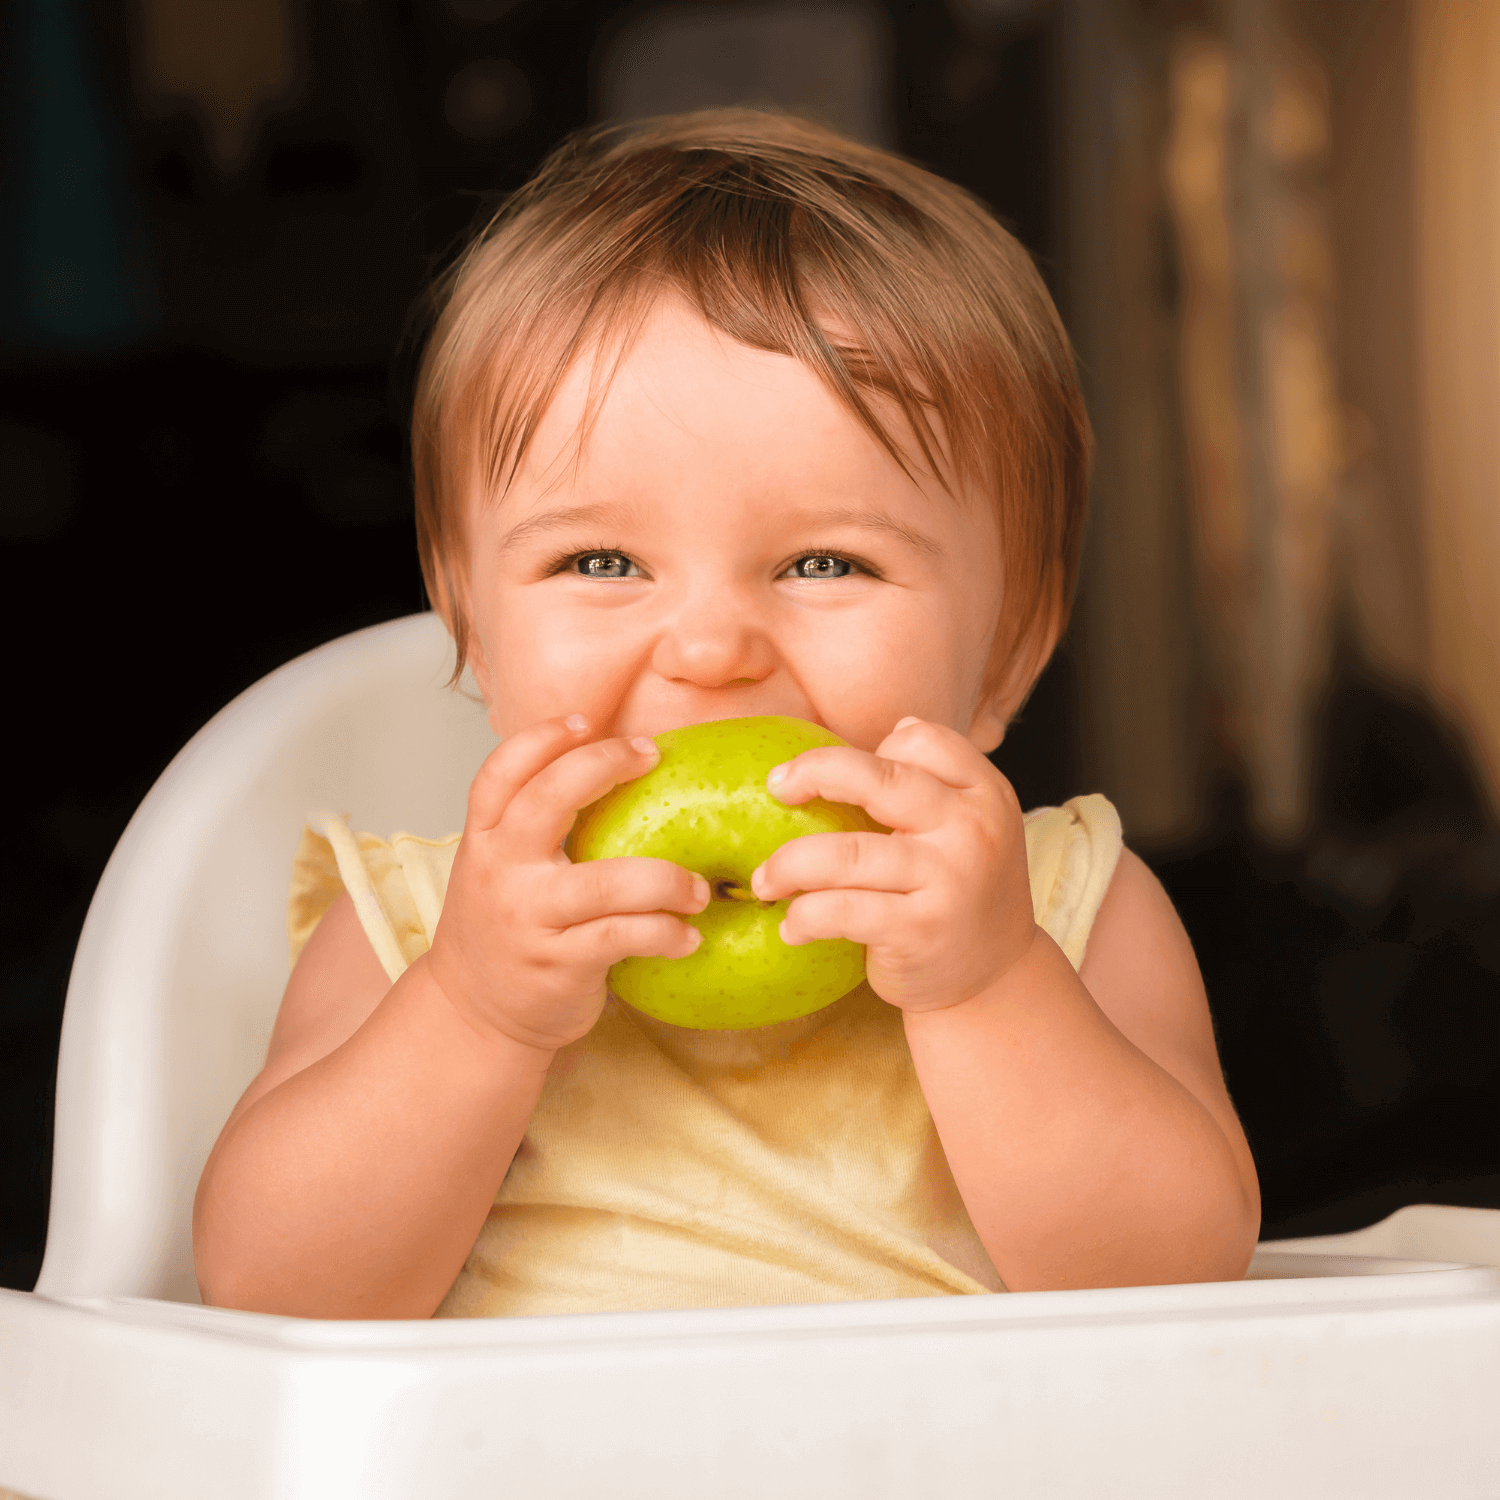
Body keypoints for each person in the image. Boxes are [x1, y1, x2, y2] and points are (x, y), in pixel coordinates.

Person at [192, 108, 1260, 1320]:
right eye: (599, 562)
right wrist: (475, 1011)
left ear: (1009, 649)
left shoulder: (1066, 909)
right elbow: (270, 1289)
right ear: (472, 628)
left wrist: (988, 986)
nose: (709, 652)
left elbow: (1180, 1284)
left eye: (824, 565)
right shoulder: (416, 931)